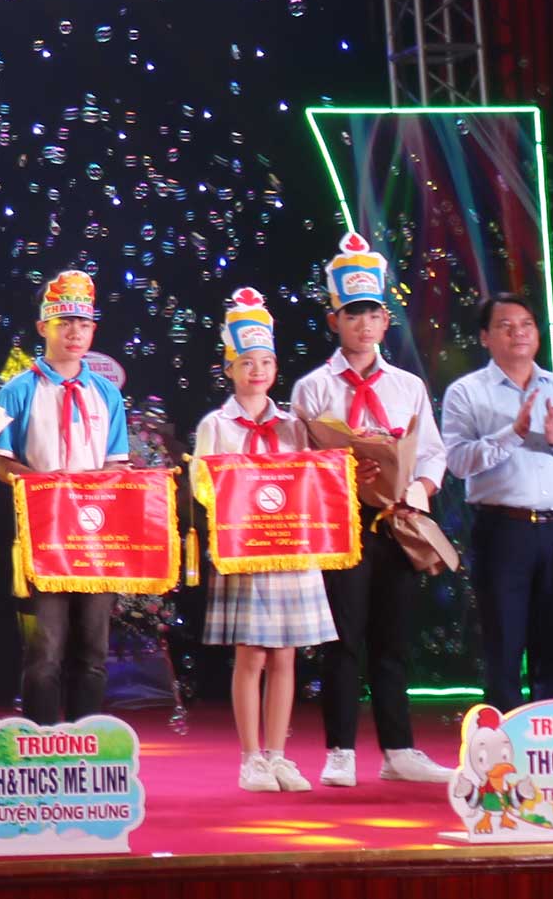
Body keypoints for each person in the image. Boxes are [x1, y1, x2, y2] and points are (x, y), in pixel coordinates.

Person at [289, 232, 453, 787]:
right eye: (352, 313)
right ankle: (339, 750)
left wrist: (419, 489)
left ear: (386, 322)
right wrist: (339, 472)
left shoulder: (407, 386)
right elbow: (298, 462)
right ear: (334, 320)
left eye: (373, 314)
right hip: (342, 523)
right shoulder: (312, 388)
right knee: (341, 638)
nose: (363, 324)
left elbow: (432, 451)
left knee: (393, 637)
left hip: (398, 520)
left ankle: (398, 749)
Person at [196, 288, 334, 794]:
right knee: (251, 654)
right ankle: (250, 758)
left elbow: (313, 482)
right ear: (229, 368)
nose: (257, 370)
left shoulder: (295, 426)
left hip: (291, 550)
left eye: (266, 362)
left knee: (286, 656)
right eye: (247, 362)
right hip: (246, 552)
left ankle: (279, 755)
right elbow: (202, 486)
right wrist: (242, 496)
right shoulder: (216, 425)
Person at [439, 291, 553, 710]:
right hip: (504, 530)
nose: (519, 334)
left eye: (527, 325)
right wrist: (512, 433)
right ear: (484, 337)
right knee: (504, 643)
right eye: (506, 326)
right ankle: (505, 741)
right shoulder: (466, 393)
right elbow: (457, 462)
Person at [0, 269, 129, 724]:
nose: (74, 332)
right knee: (45, 649)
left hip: (95, 536)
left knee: (93, 648)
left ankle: (86, 741)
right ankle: (44, 743)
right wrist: (46, 487)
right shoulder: (17, 390)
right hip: (44, 535)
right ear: (42, 327)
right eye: (64, 322)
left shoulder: (106, 393)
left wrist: (93, 492)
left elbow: (116, 465)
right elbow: (2, 464)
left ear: (93, 331)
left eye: (83, 324)